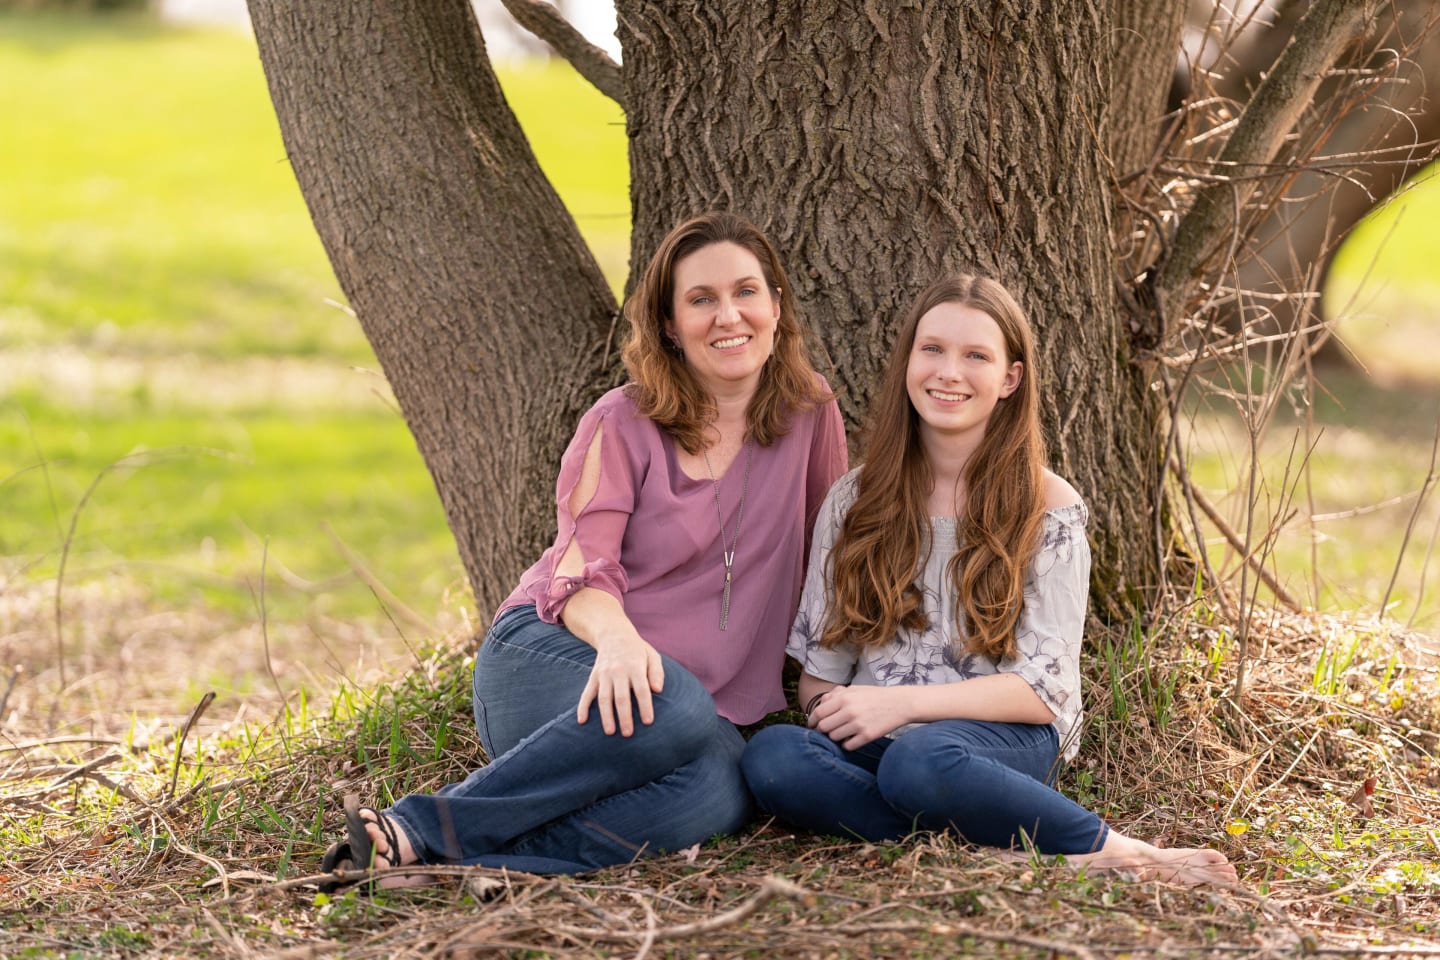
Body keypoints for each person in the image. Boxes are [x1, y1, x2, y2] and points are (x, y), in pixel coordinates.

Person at [318, 212, 847, 885]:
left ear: (776, 306)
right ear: (668, 326)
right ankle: (421, 824)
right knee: (676, 702)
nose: (728, 316)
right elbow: (581, 566)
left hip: (691, 711)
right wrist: (622, 643)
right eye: (701, 299)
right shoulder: (622, 422)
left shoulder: (810, 415)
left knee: (720, 790)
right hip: (558, 661)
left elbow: (832, 555)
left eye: (747, 291)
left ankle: (457, 861)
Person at [739, 274, 1237, 887]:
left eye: (976, 355)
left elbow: (1041, 693)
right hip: (880, 745)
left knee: (921, 763)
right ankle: (987, 846)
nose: (949, 372)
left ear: (1009, 379)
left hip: (1003, 742)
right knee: (774, 759)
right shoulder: (853, 501)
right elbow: (821, 674)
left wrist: (902, 704)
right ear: (907, 363)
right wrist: (832, 710)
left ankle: (1111, 849)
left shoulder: (1047, 507)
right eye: (933, 349)